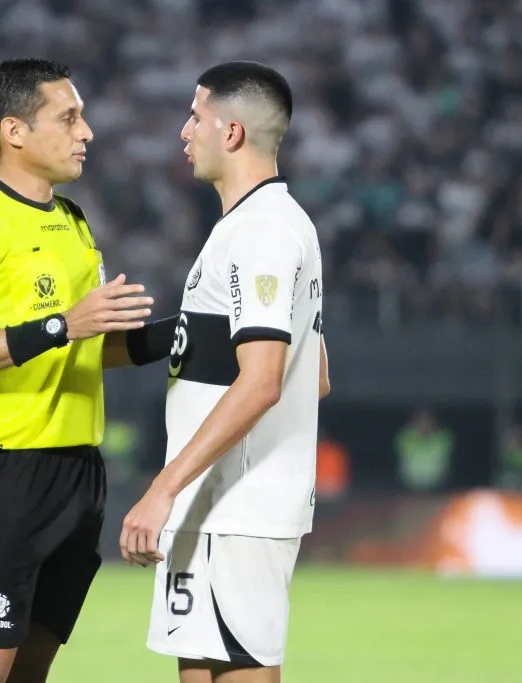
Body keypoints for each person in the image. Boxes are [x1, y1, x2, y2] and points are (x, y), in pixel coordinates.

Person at [0, 58, 177, 683]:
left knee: (30, 674)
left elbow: (85, 347)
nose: (86, 132)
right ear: (15, 131)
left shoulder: (73, 222)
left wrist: (185, 335)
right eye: (69, 117)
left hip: (78, 474)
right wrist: (63, 323)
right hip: (3, 473)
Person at [120, 61, 331, 683]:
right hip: (217, 508)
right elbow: (313, 375)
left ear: (232, 132)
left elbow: (264, 380)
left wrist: (163, 486)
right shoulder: (257, 225)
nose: (185, 131)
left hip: (237, 509)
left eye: (195, 117)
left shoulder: (263, 232)